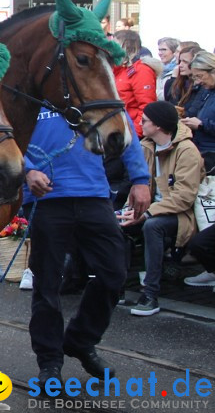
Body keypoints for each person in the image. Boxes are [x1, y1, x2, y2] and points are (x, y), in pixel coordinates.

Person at [23, 107, 150, 388]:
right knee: (47, 283)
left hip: (93, 194)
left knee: (114, 274)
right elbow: (5, 136)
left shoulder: (91, 89)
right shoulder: (31, 91)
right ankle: (50, 361)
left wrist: (141, 180)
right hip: (46, 198)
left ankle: (80, 340)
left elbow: (125, 130)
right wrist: (27, 169)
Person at [122, 101, 204, 316]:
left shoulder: (187, 151)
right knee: (118, 224)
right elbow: (136, 186)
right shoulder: (145, 146)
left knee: (153, 226)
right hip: (148, 209)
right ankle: (116, 287)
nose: (141, 122)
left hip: (179, 215)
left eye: (146, 120)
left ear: (158, 125)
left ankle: (150, 294)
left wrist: (147, 213)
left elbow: (184, 197)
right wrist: (128, 211)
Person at [113, 30, 158, 137]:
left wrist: (135, 134)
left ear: (125, 47)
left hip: (130, 132)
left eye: (114, 45)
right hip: (118, 129)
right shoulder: (119, 70)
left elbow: (146, 105)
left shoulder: (141, 70)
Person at [182, 51, 215, 173]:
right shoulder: (208, 90)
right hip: (202, 150)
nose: (197, 82)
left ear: (212, 71)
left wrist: (201, 125)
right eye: (194, 77)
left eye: (199, 76)